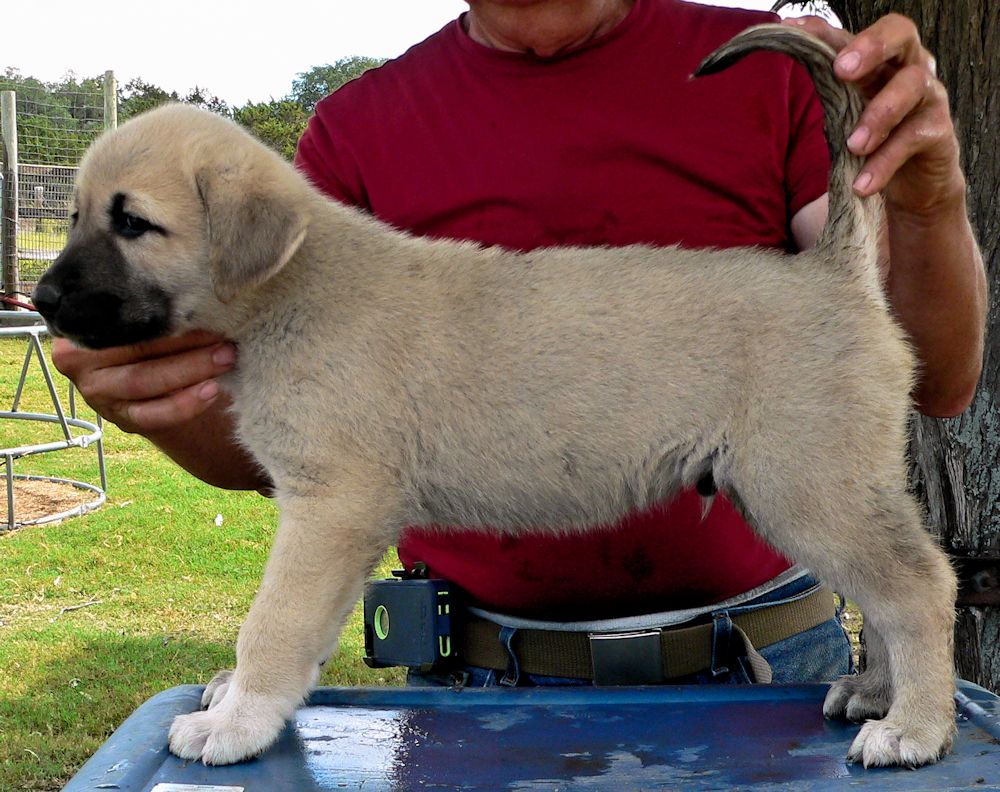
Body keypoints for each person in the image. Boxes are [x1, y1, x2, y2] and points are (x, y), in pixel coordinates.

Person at [52, 0, 986, 686]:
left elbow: (929, 372)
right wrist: (151, 405)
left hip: (767, 662)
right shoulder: (353, 132)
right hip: (473, 678)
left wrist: (929, 197)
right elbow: (312, 464)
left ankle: (919, 660)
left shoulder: (771, 75)